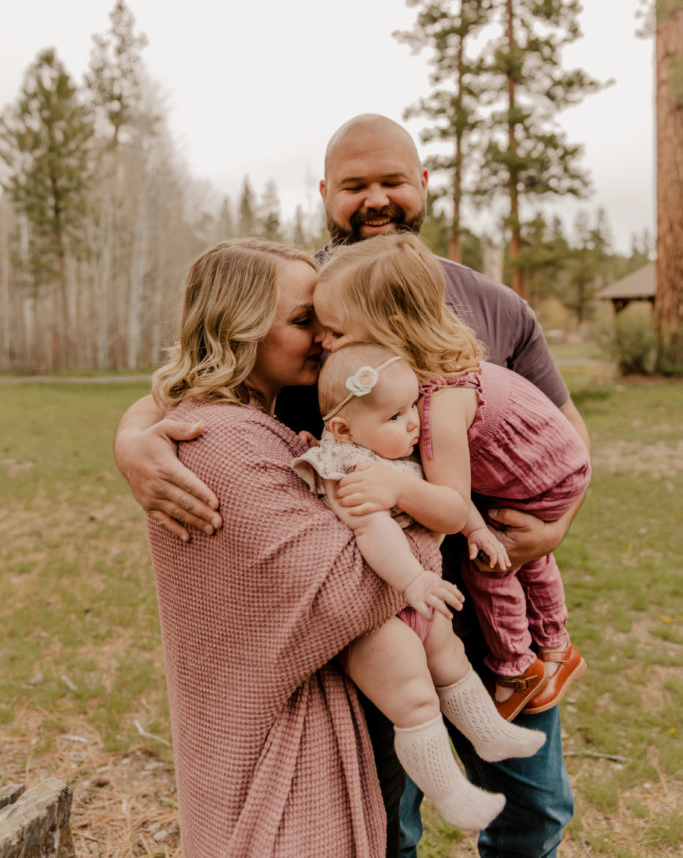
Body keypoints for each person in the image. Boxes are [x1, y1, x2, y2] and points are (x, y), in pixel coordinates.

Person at [114, 113, 590, 858]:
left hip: (495, 604)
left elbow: (565, 429)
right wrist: (130, 441)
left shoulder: (492, 305)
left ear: (423, 185)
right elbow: (193, 378)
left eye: (391, 182)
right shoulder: (301, 297)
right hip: (367, 611)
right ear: (325, 194)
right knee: (382, 818)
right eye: (354, 186)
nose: (374, 200)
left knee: (535, 811)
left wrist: (554, 524)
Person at [142, 237, 447, 858]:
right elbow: (338, 595)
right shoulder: (223, 441)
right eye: (304, 321)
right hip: (272, 760)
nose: (326, 339)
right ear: (241, 330)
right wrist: (429, 522)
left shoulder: (249, 425)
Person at [312, 235, 590, 725]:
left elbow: (450, 508)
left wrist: (397, 488)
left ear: (387, 328)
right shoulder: (441, 368)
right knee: (516, 546)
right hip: (554, 467)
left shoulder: (438, 403)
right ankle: (556, 645)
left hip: (540, 480)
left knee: (488, 554)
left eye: (335, 331)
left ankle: (516, 667)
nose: (323, 342)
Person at [292, 342, 546, 831]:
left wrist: (475, 529)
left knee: (449, 656)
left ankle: (489, 733)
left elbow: (443, 495)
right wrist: (413, 579)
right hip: (373, 618)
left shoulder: (394, 457)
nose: (413, 422)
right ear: (344, 428)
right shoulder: (347, 467)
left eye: (412, 408)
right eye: (394, 415)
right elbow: (373, 529)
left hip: (412, 596)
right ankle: (452, 796)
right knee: (414, 695)